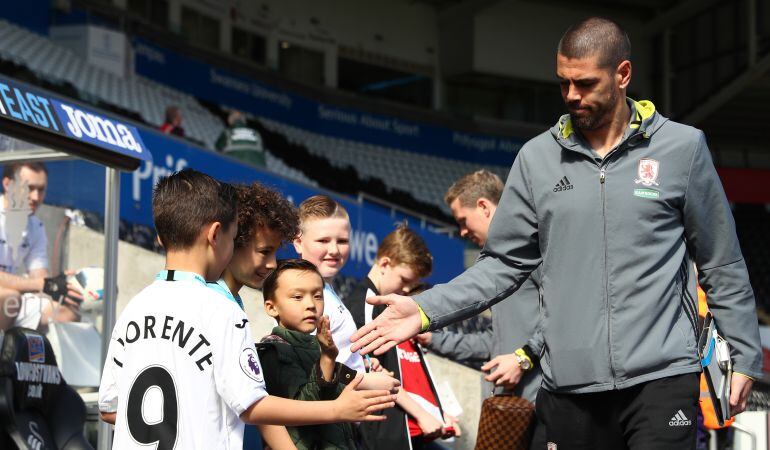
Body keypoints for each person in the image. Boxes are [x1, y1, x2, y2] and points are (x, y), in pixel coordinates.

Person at [351, 17, 762, 450]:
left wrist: (744, 354)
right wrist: (424, 309)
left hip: (661, 379)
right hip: (569, 386)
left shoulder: (682, 149)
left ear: (623, 75)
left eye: (584, 83)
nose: (571, 95)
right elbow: (503, 265)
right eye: (563, 83)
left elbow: (721, 261)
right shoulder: (536, 159)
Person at [98, 169, 397, 449]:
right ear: (223, 237)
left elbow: (111, 409)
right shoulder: (220, 309)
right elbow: (251, 405)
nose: (271, 264)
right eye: (264, 251)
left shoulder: (137, 305)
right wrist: (335, 409)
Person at [416, 169, 545, 448]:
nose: (462, 232)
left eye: (463, 221)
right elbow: (494, 340)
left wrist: (524, 358)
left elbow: (563, 317)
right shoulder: (499, 266)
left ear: (484, 207)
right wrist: (435, 339)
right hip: (506, 411)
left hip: (540, 407)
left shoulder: (534, 249)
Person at [344, 224, 459, 450]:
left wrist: (435, 410)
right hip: (376, 432)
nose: (407, 290)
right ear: (385, 263)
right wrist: (422, 413)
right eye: (404, 280)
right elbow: (372, 371)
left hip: (396, 428)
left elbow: (401, 374)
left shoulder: (386, 306)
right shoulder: (364, 305)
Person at [258, 259, 362, 450]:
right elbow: (303, 409)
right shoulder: (274, 351)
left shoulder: (317, 346)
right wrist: (327, 358)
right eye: (297, 297)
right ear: (271, 307)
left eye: (318, 296)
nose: (311, 305)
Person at [0, 162, 81, 331]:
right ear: (7, 184)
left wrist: (61, 285)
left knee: (67, 312)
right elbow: (38, 283)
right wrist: (42, 284)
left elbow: (40, 279)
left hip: (13, 302)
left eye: (41, 189)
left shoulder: (36, 227)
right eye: (29, 188)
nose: (36, 197)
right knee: (9, 297)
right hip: (8, 298)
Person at [294, 195, 365, 373]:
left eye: (342, 241)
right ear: (298, 243)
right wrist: (367, 382)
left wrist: (364, 366)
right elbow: (308, 369)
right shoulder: (304, 296)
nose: (334, 250)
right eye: (323, 241)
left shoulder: (326, 291)